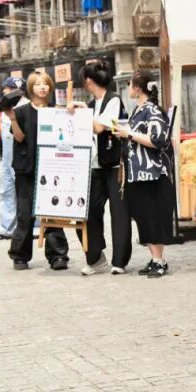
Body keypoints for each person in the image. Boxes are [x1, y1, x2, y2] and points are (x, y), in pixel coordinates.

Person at [72, 59, 132, 275]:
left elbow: (99, 127)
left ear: (88, 81)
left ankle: (119, 262)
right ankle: (95, 258)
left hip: (115, 166)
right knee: (87, 211)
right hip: (94, 166)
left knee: (119, 213)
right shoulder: (91, 105)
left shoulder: (113, 100)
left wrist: (80, 111)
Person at [5, 71, 69, 270]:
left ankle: (58, 255)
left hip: (52, 168)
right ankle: (20, 255)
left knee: (53, 211)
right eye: (38, 84)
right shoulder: (21, 111)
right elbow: (19, 138)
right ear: (31, 88)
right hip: (26, 169)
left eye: (45, 83)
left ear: (50, 87)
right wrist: (12, 119)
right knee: (25, 214)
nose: (42, 87)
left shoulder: (57, 111)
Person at [113, 72, 173, 278]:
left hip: (151, 173)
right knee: (143, 217)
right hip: (138, 173)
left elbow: (157, 139)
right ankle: (156, 259)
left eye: (130, 84)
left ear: (138, 88)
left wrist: (128, 133)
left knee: (153, 217)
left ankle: (159, 260)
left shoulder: (152, 110)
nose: (128, 87)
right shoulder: (138, 110)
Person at [0, 76, 27, 239]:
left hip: (21, 159)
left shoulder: (26, 107)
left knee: (23, 191)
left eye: (7, 88)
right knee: (7, 189)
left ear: (15, 90)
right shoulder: (6, 107)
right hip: (7, 160)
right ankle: (7, 227)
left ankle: (32, 226)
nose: (3, 90)